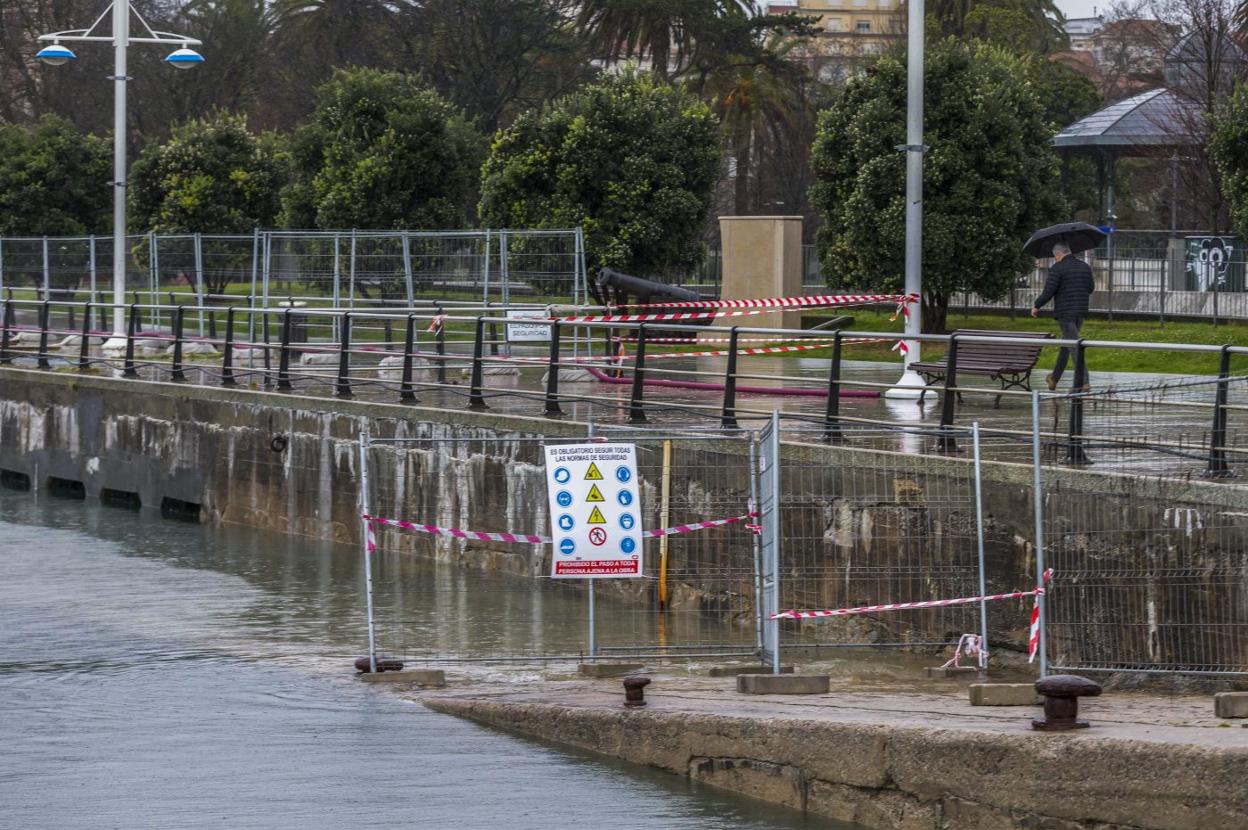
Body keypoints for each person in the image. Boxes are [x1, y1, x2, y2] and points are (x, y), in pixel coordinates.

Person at [1031, 241, 1094, 391]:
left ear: (1058, 254)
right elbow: (1090, 288)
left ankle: (1084, 382)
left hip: (1065, 312)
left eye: (1055, 257)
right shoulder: (1085, 267)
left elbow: (1049, 291)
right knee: (1067, 345)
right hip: (1081, 310)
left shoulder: (1058, 268)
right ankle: (1054, 378)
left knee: (1074, 346)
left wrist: (1036, 305)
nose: (1055, 259)